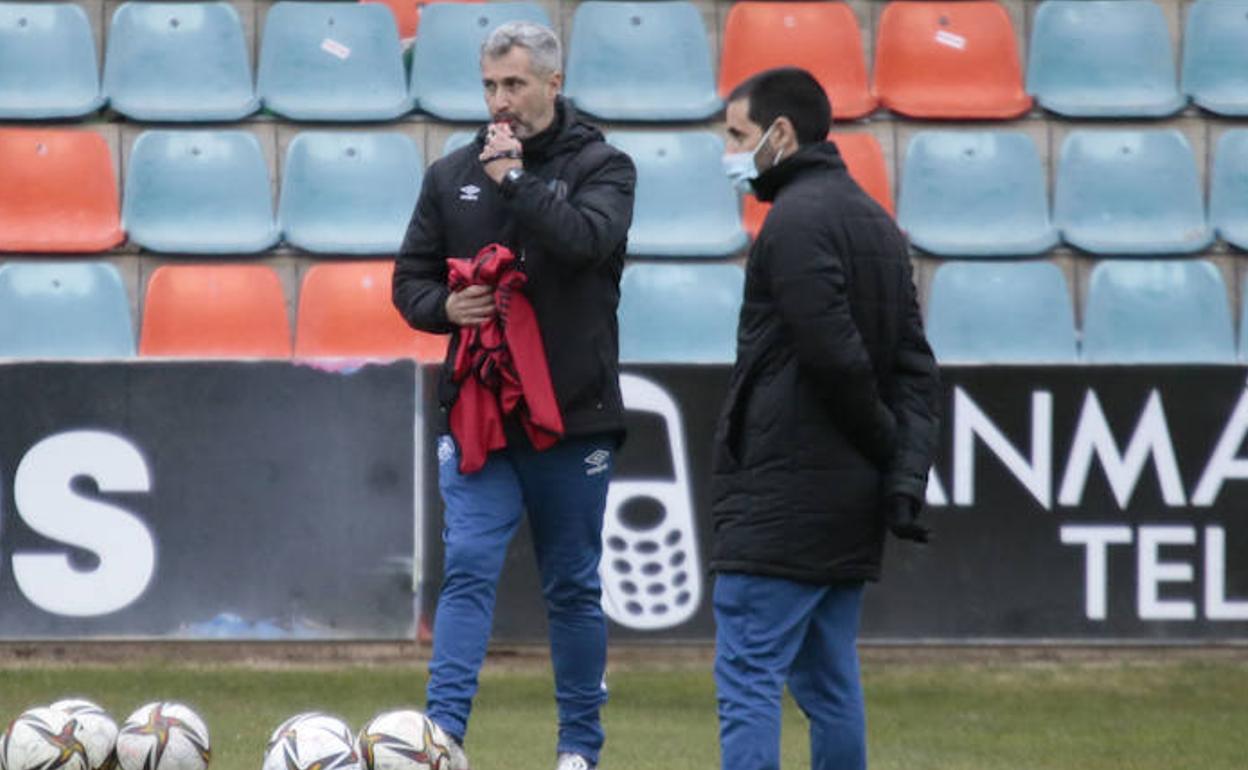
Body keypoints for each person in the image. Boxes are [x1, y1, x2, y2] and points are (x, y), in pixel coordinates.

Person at [391, 20, 636, 770]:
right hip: (478, 415)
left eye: (515, 85)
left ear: (553, 85)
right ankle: (441, 740)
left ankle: (578, 750)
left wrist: (516, 182)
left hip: (571, 417)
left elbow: (586, 243)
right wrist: (443, 309)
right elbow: (411, 281)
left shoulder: (605, 166)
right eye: (491, 85)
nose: (500, 101)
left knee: (571, 585)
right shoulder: (451, 173)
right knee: (467, 567)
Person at [710, 67, 942, 770]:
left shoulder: (793, 224)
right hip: (847, 506)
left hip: (784, 502)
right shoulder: (877, 224)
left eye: (737, 135)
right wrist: (898, 468)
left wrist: (885, 443)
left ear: (781, 134)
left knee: (748, 680)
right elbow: (914, 365)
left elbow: (833, 357)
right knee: (830, 684)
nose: (729, 152)